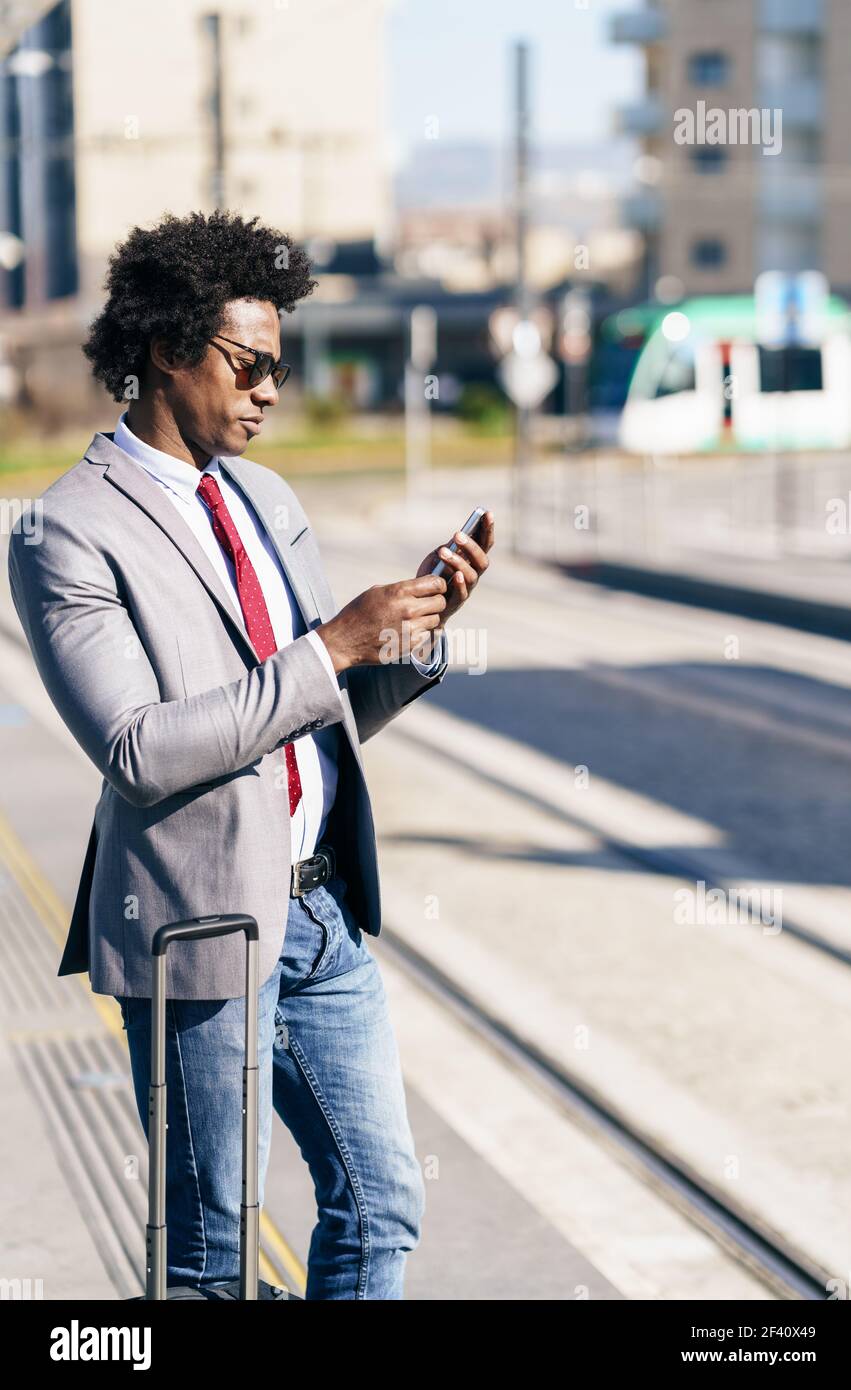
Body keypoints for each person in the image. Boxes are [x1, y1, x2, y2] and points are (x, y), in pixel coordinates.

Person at [7, 209, 494, 1299]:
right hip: (199, 925)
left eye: (282, 363)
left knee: (381, 1202)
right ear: (167, 350)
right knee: (210, 1257)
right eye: (251, 363)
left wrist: (404, 642)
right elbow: (139, 748)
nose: (272, 387)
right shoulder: (65, 533)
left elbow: (304, 712)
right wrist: (332, 644)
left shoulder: (268, 499)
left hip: (319, 916)